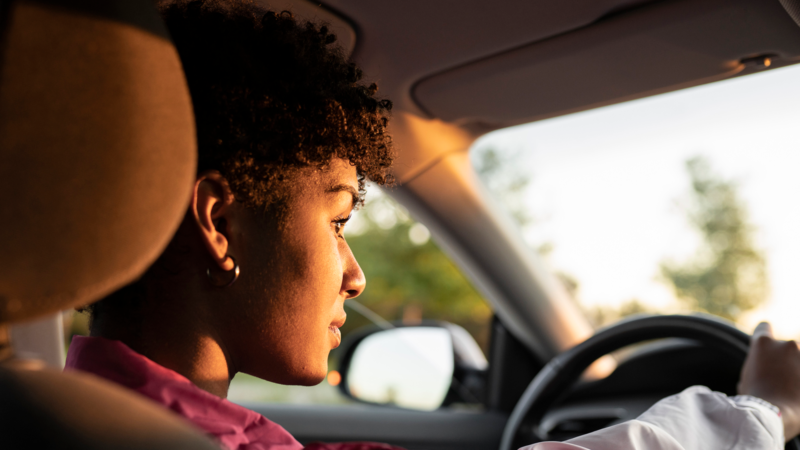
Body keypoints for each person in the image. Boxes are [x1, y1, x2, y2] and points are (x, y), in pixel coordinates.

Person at [64, 1, 800, 450]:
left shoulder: (52, 420)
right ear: (221, 221)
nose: (356, 275)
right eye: (339, 219)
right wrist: (765, 409)